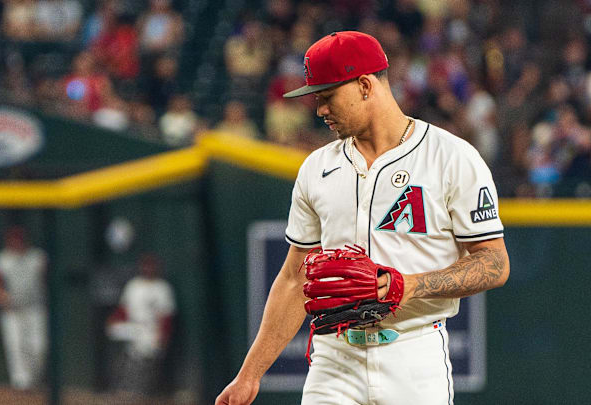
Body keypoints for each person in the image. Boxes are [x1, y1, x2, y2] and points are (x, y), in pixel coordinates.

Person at [216, 31, 510, 405]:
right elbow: (294, 279)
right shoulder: (316, 169)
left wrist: (408, 285)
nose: (319, 109)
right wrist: (249, 375)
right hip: (334, 357)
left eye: (327, 96)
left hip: (414, 353)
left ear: (365, 85)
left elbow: (495, 263)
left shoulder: (451, 157)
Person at [106, 253, 175, 402]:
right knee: (113, 332)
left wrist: (162, 337)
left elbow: (167, 318)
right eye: (145, 265)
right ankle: (119, 387)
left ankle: (139, 391)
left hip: (150, 330)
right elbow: (123, 310)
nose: (148, 268)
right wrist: (113, 320)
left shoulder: (162, 288)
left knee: (145, 353)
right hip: (132, 327)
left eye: (151, 265)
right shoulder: (134, 285)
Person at [0, 225, 48, 390]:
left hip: (35, 308)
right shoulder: (1, 259)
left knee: (38, 346)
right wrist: (0, 297)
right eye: (12, 239)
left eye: (18, 239)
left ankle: (34, 380)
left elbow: (48, 279)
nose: (15, 242)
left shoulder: (37, 257)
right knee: (15, 346)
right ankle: (21, 384)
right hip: (11, 309)